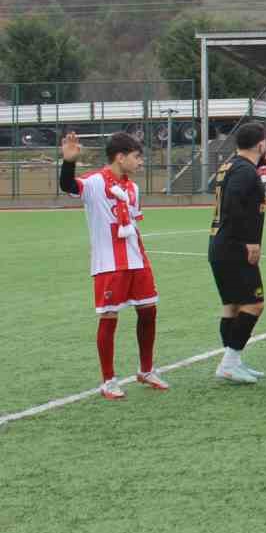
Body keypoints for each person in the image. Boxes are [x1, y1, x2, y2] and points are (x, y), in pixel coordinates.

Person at [59, 130, 167, 399]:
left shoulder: (133, 188)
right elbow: (68, 186)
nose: (140, 162)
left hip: (137, 259)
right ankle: (108, 380)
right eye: (136, 157)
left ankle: (146, 370)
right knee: (109, 318)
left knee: (149, 311)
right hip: (109, 263)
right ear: (120, 157)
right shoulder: (94, 182)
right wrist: (69, 161)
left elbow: (132, 223)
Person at [209, 122, 266, 384]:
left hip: (220, 244)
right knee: (254, 303)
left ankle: (232, 361)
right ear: (261, 144)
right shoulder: (245, 170)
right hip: (234, 246)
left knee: (232, 305)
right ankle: (229, 363)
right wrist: (250, 241)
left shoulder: (232, 165)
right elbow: (234, 203)